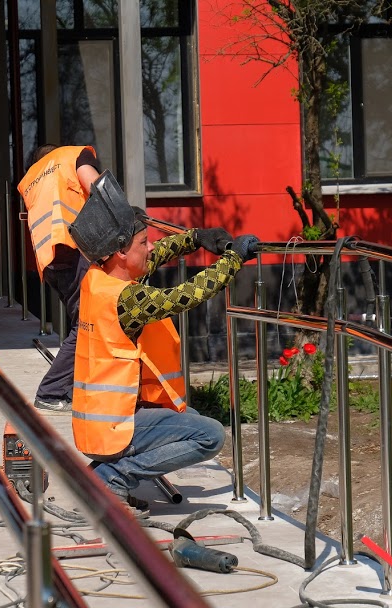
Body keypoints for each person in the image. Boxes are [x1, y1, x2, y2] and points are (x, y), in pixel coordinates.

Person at [68, 171, 260, 515]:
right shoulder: (128, 298)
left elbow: (154, 257)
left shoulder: (99, 279)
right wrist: (233, 260)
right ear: (120, 251)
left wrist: (196, 238)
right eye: (144, 242)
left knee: (191, 417)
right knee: (210, 435)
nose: (152, 247)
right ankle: (112, 479)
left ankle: (101, 476)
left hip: (100, 423)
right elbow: (186, 295)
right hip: (115, 426)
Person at [17, 145, 101, 412]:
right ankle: (51, 392)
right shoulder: (72, 156)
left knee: (83, 323)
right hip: (75, 252)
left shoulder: (32, 178)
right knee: (88, 324)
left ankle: (73, 388)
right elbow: (100, 189)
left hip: (51, 259)